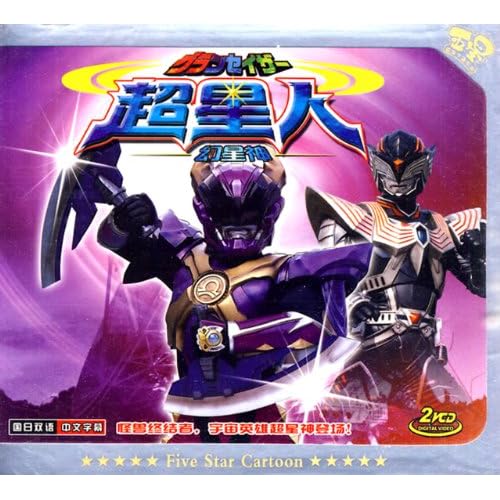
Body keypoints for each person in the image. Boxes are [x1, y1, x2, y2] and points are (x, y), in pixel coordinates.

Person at [97, 157, 371, 441]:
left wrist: (232, 336)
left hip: (258, 417)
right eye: (227, 216)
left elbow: (313, 331)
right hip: (195, 414)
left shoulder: (282, 272)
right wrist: (124, 220)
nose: (238, 228)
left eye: (248, 216)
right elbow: (115, 242)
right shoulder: (186, 259)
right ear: (205, 211)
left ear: (270, 213)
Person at [306, 130, 486, 409]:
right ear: (378, 168)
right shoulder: (357, 219)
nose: (399, 177)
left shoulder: (442, 227)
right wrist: (353, 306)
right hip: (368, 350)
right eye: (390, 167)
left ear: (423, 168)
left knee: (459, 412)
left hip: (421, 350)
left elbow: (481, 286)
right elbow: (328, 280)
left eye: (409, 168)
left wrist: (478, 258)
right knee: (336, 421)